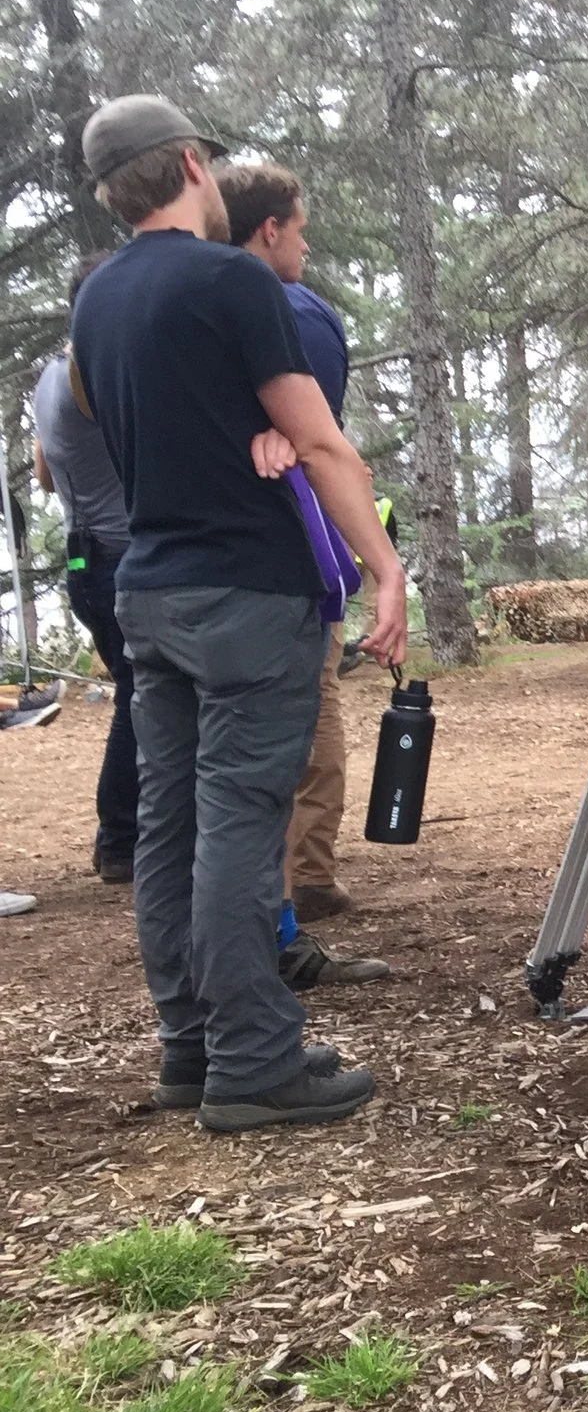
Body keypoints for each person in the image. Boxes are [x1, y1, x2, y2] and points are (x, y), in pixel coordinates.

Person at [70, 94, 405, 1132]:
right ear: (188, 165)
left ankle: (191, 1047)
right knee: (241, 830)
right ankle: (257, 1060)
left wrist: (239, 437)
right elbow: (318, 440)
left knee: (169, 827)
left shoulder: (96, 296)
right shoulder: (231, 280)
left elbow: (120, 419)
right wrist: (382, 568)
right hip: (247, 595)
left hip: (150, 592)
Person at [221, 164, 383, 992]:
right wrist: (368, 562)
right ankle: (294, 901)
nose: (309, 240)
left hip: (184, 573)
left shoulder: (144, 305)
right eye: (301, 224)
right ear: (271, 229)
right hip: (278, 560)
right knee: (297, 721)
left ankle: (275, 923)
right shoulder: (291, 314)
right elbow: (320, 442)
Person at [31, 255, 136, 885]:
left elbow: (44, 473)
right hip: (124, 558)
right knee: (141, 696)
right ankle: (120, 839)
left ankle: (124, 836)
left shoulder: (48, 378)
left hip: (83, 558)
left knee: (135, 690)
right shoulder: (92, 377)